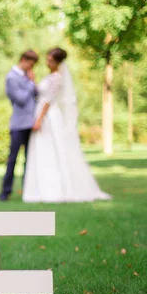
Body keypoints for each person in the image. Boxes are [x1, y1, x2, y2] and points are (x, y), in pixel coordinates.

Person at [22, 48, 111, 203]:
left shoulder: (57, 78)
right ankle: (40, 187)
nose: (47, 63)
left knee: (52, 150)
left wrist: (39, 120)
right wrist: (32, 81)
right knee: (42, 150)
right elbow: (41, 95)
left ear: (58, 62)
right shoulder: (50, 76)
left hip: (49, 117)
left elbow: (48, 101)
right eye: (47, 59)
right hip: (43, 114)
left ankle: (56, 188)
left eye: (51, 60)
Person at [0, 50, 39, 201]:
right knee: (13, 158)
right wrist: (30, 83)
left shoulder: (27, 78)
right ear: (23, 60)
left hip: (31, 124)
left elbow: (36, 95)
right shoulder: (11, 77)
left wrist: (32, 82)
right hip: (18, 124)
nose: (31, 67)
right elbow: (21, 99)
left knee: (30, 159)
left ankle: (28, 190)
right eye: (31, 63)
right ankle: (5, 191)